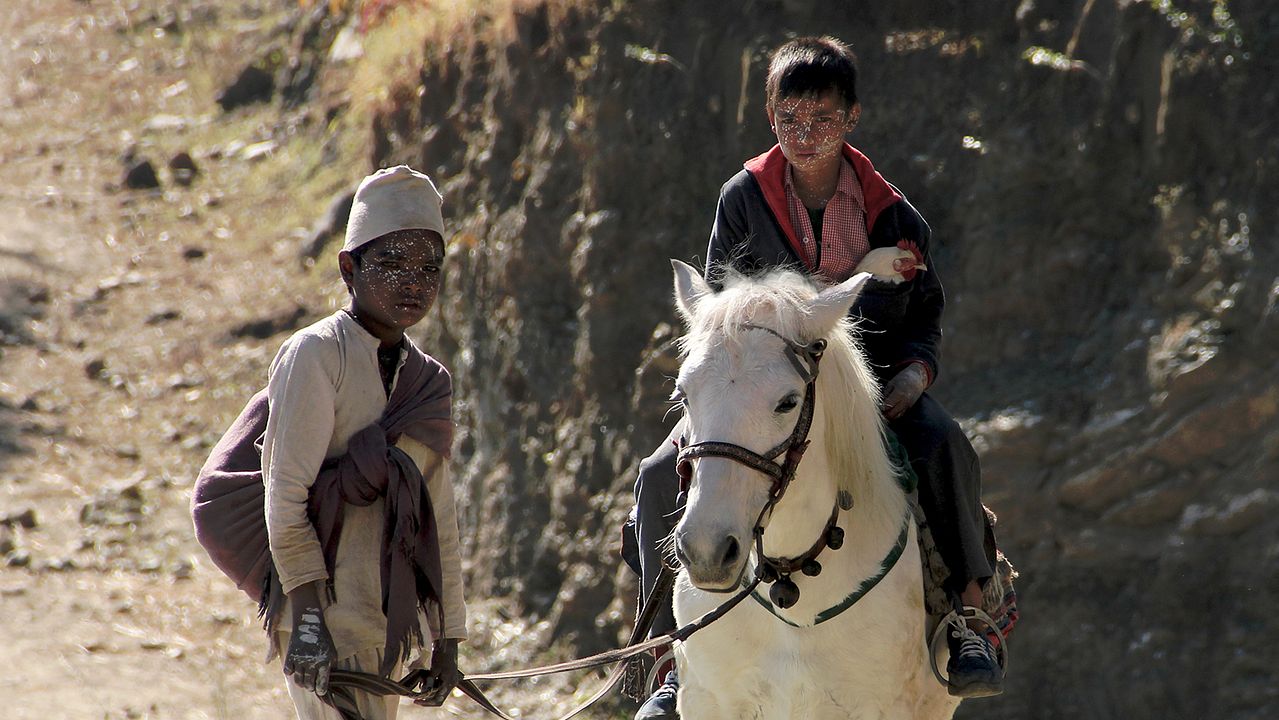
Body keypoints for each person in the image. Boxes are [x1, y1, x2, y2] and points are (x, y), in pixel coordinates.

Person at [631, 37, 1001, 719]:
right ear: (770, 117)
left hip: (873, 391)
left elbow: (924, 319)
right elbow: (718, 308)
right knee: (658, 471)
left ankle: (967, 620)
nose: (805, 136)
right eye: (789, 120)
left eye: (822, 120)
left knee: (945, 445)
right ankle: (665, 656)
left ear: (851, 118)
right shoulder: (740, 198)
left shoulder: (895, 214)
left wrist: (913, 380)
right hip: (757, 383)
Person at [220, 165, 467, 719]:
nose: (413, 283)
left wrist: (449, 638)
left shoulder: (429, 382)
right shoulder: (315, 356)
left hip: (386, 621)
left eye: (429, 268)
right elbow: (284, 495)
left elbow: (439, 515)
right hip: (321, 620)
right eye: (392, 264)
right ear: (348, 268)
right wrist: (308, 621)